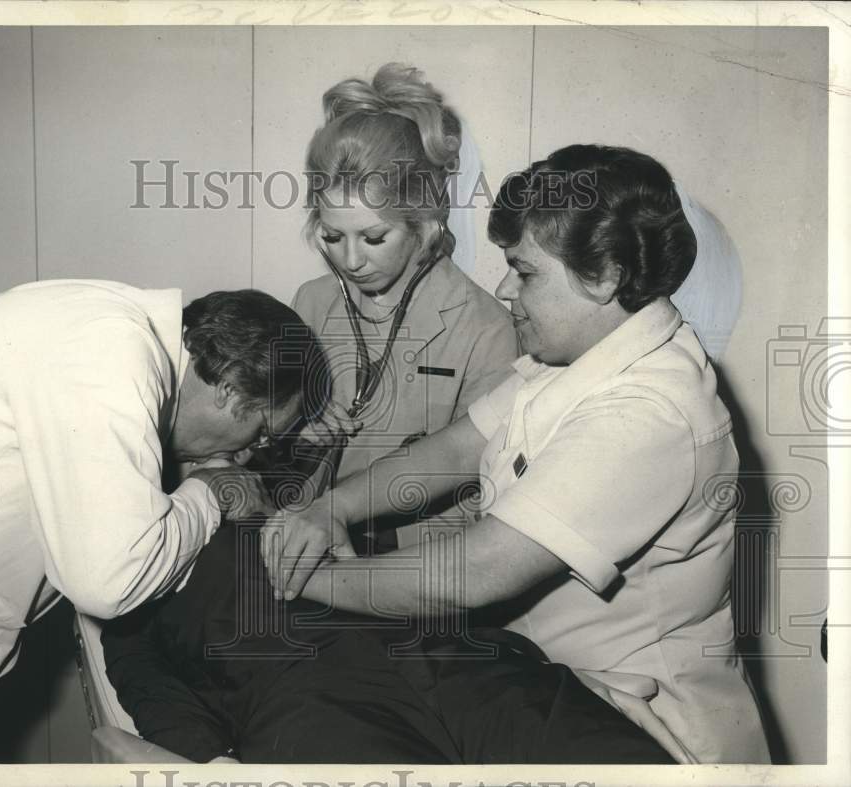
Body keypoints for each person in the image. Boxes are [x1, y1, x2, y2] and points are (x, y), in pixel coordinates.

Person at [264, 145, 771, 764]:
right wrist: (332, 509)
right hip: (542, 686)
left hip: (638, 727)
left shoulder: (649, 410)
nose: (505, 288)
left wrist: (309, 579)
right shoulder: (578, 354)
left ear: (605, 275)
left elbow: (479, 572)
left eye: (525, 271)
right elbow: (451, 451)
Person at [0, 280, 322, 763]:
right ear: (231, 388)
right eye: (259, 434)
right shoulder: (110, 349)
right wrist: (209, 492)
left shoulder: (101, 333)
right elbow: (109, 582)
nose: (245, 455)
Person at [102, 517, 673, 764]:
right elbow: (151, 689)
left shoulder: (310, 515)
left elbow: (433, 588)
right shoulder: (135, 587)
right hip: (313, 700)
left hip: (461, 666)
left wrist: (537, 663)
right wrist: (215, 763)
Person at [277, 63, 517, 549]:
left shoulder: (487, 330)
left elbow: (482, 496)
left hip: (412, 570)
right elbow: (264, 451)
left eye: (373, 237)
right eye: (331, 236)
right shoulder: (310, 303)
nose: (350, 260)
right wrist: (298, 438)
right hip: (300, 545)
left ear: (424, 221)